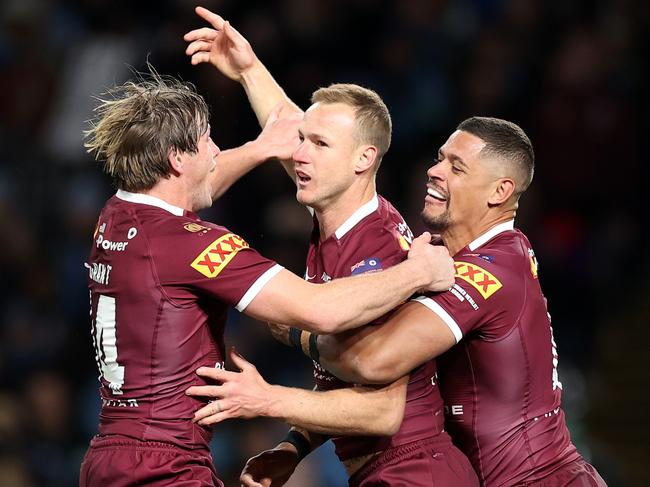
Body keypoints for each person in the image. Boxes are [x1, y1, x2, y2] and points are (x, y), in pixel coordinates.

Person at [78, 72, 455, 487]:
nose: (218, 151)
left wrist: (260, 147)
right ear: (177, 159)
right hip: (164, 466)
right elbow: (320, 309)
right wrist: (419, 271)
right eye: (207, 140)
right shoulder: (193, 246)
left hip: (110, 456)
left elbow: (184, 191)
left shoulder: (115, 217)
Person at [184, 7, 478, 487]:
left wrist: (267, 398)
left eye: (319, 145)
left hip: (417, 473)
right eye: (303, 141)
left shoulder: (378, 252)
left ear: (364, 159)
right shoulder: (336, 217)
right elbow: (286, 123)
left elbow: (382, 411)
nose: (298, 152)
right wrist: (248, 68)